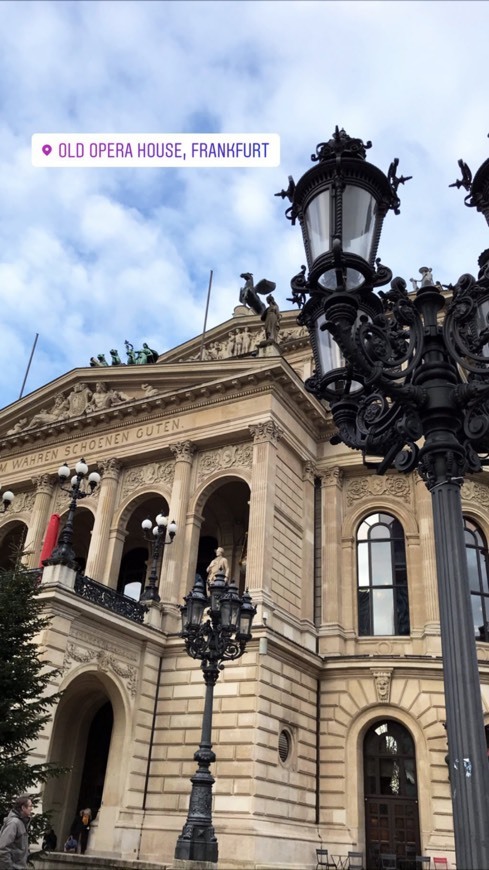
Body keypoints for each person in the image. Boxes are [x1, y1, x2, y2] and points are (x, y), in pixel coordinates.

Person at [0, 794, 33, 869]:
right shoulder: (14, 823)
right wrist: (9, 867)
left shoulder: (21, 823)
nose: (32, 809)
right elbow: (3, 848)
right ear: (23, 808)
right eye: (30, 806)